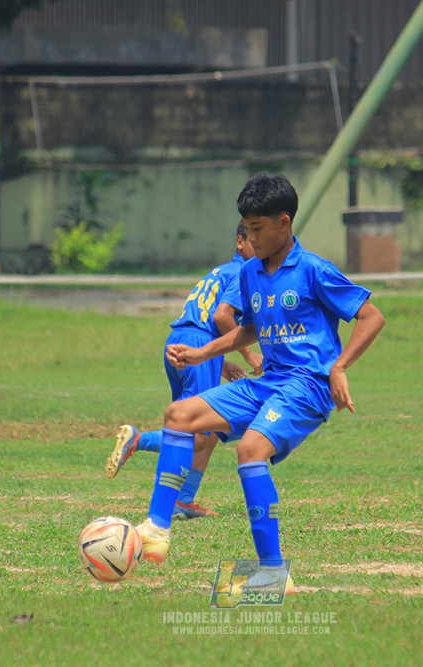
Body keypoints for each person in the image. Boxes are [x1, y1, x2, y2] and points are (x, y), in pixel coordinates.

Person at [135, 173, 385, 595]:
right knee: (179, 416)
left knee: (251, 449)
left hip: (307, 386)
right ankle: (158, 531)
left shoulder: (313, 270)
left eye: (257, 229)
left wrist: (340, 367)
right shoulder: (250, 273)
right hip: (269, 382)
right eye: (246, 229)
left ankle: (273, 573)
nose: (249, 239)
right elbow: (248, 329)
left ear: (283, 224)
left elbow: (371, 316)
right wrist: (202, 354)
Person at [105, 222, 263, 519]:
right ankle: (138, 440)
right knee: (197, 433)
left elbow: (204, 314)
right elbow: (222, 316)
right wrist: (249, 354)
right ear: (240, 242)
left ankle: (184, 500)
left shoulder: (219, 271)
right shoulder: (245, 271)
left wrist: (221, 362)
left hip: (180, 342)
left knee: (213, 425)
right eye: (255, 240)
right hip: (199, 341)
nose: (261, 246)